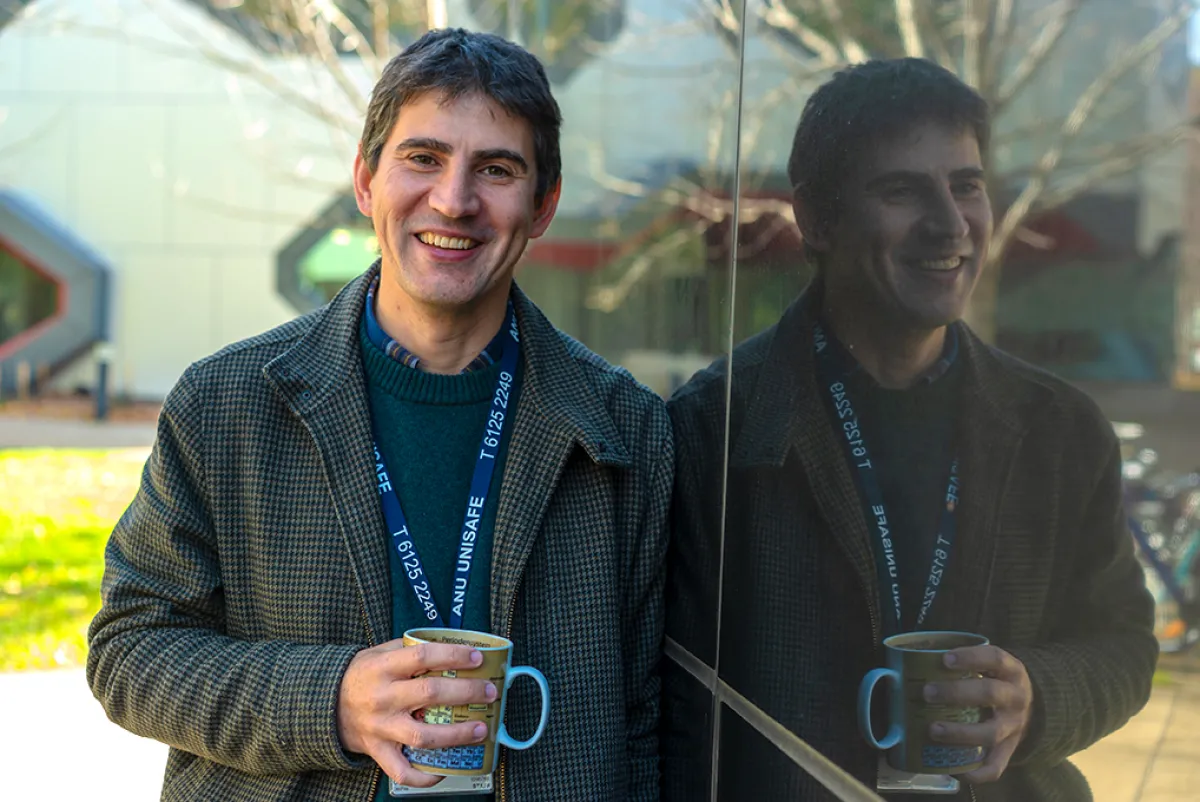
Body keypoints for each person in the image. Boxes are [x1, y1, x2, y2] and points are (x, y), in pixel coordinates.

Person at [87, 29, 671, 802]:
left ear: (543, 206)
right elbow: (131, 651)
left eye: (495, 170)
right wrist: (332, 700)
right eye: (422, 158)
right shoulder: (223, 405)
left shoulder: (625, 429)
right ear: (365, 181)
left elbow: (647, 725)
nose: (454, 200)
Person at [661, 58, 1157, 801]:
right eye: (903, 190)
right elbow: (667, 698)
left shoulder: (1063, 432)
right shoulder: (714, 430)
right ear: (816, 219)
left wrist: (1038, 698)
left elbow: (1125, 647)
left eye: (967, 185)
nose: (951, 223)